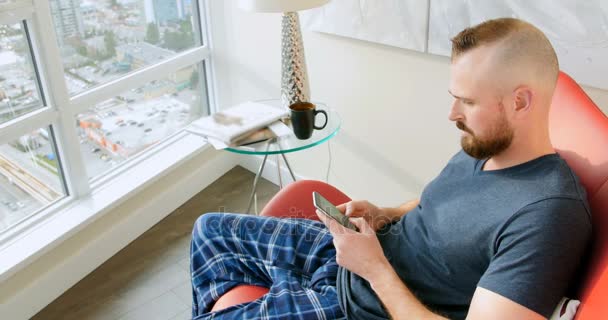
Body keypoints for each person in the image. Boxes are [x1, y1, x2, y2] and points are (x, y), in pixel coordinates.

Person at [190, 18, 591, 320]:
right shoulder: (485, 144)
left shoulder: (549, 214)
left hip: (359, 305)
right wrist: (387, 213)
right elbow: (441, 204)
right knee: (209, 229)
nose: (452, 113)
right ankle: (281, 286)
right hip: (356, 255)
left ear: (520, 102)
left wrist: (375, 270)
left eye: (466, 102)